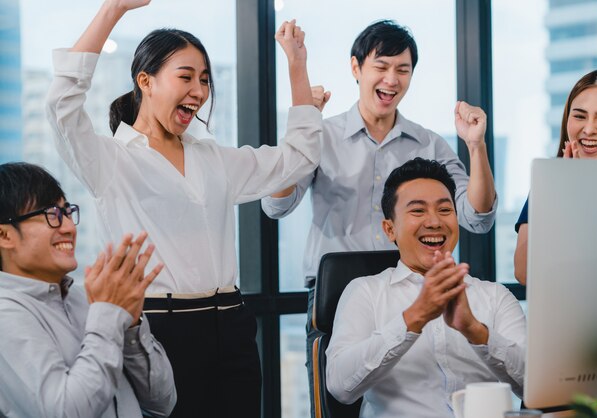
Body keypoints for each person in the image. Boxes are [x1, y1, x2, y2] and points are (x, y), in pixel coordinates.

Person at [46, 1, 322, 416]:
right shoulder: (111, 160)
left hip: (232, 325)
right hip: (159, 330)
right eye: (186, 76)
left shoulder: (214, 159)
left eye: (205, 80)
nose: (199, 90)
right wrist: (113, 10)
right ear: (146, 80)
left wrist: (297, 66)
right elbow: (61, 105)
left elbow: (298, 158)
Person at [260, 19, 497, 413]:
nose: (391, 79)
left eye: (402, 70)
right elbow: (276, 205)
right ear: (356, 69)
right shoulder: (323, 135)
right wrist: (300, 135)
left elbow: (478, 217)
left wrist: (476, 146)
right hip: (336, 296)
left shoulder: (428, 143)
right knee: (336, 404)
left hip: (408, 292)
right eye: (381, 66)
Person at [325, 157, 525, 418]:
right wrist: (414, 317)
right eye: (418, 211)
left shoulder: (495, 296)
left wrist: (475, 331)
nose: (434, 222)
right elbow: (340, 386)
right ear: (390, 229)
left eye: (444, 210)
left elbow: (534, 386)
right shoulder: (365, 292)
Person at [0, 162, 175, 418]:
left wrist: (131, 327)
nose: (69, 227)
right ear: (5, 236)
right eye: (51, 215)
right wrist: (107, 315)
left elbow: (162, 404)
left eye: (67, 212)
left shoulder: (89, 298)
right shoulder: (7, 314)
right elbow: (65, 412)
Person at [513, 70, 597, 285]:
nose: (589, 129)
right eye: (580, 116)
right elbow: (524, 272)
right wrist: (564, 194)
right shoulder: (549, 185)